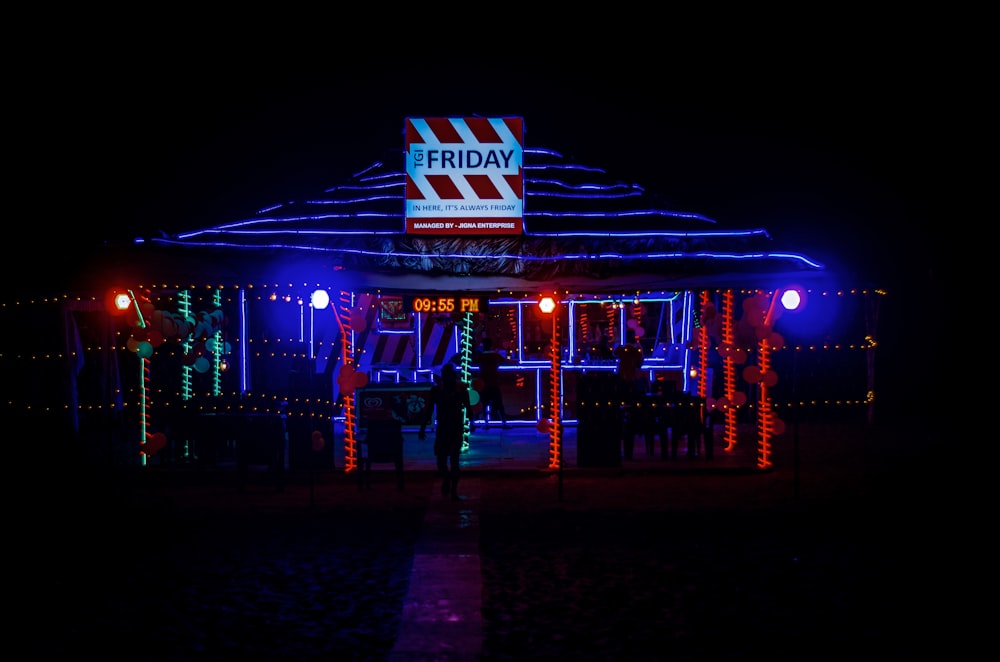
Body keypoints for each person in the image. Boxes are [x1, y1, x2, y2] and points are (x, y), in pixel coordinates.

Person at [419, 362, 474, 501]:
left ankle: (451, 486)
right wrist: (471, 422)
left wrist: (423, 427)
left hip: (450, 427)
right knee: (446, 460)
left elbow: (430, 410)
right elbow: (468, 408)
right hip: (451, 427)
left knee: (448, 460)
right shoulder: (453, 390)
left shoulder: (450, 390)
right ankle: (451, 485)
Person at [613, 328, 646, 460]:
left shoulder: (624, 350)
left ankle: (624, 439)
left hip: (624, 382)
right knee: (631, 411)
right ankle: (633, 431)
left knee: (623, 412)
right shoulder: (634, 350)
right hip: (631, 382)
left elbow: (615, 353)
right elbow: (640, 363)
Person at [474, 337, 511, 429]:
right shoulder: (495, 356)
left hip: (483, 384)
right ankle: (504, 423)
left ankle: (483, 423)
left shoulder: (481, 356)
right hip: (494, 383)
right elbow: (506, 361)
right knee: (499, 404)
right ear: (491, 346)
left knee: (482, 404)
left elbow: (473, 362)